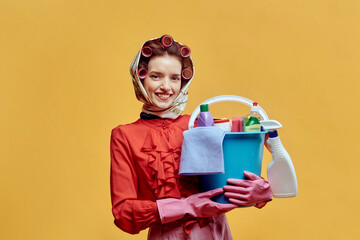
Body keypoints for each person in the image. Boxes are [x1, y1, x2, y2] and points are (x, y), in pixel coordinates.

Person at [110, 35, 273, 239]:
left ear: (183, 81)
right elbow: (123, 214)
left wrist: (262, 191)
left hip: (216, 233)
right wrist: (187, 206)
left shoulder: (199, 124)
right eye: (156, 76)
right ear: (140, 77)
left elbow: (236, 173)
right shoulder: (124, 135)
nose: (166, 87)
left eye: (174, 78)